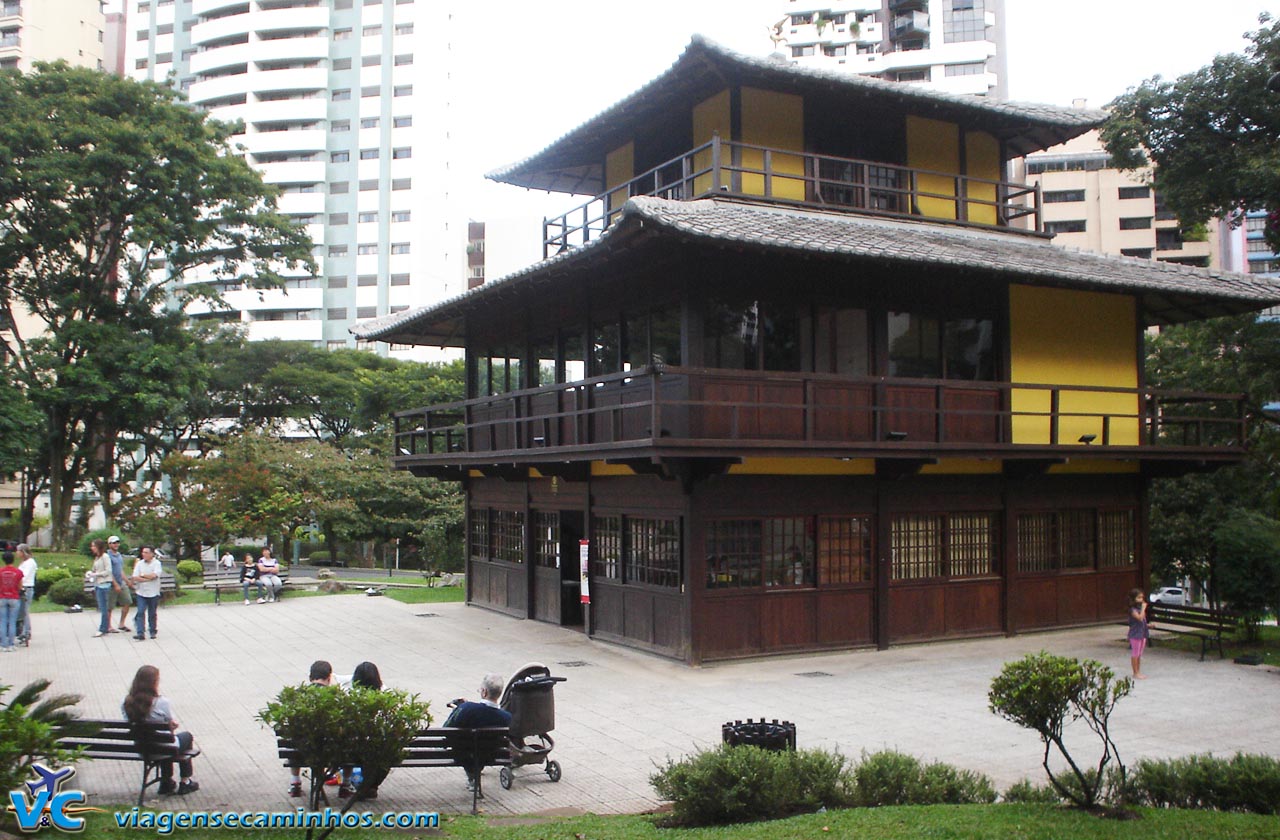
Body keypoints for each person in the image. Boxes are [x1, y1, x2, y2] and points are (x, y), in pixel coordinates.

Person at [122, 665, 200, 795]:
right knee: (185, 737)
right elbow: (172, 722)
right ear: (154, 683)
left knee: (163, 741)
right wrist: (172, 725)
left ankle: (166, 781)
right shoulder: (161, 702)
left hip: (142, 748)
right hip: (164, 748)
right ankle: (185, 781)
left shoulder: (126, 702)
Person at [444, 673, 512, 791]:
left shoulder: (467, 708)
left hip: (463, 755)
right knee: (479, 747)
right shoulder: (506, 717)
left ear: (484, 692)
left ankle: (472, 776)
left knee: (466, 745)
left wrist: (458, 709)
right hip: (489, 756)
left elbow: (446, 729)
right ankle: (474, 777)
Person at [287, 660, 336, 798]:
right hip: (331, 751)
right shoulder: (335, 696)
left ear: (310, 678)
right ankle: (346, 784)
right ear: (329, 677)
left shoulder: (297, 695)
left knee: (295, 743)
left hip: (301, 751)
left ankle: (295, 782)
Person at [339, 661, 387, 801]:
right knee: (382, 754)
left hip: (349, 751)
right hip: (375, 750)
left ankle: (348, 783)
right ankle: (371, 786)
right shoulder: (384, 694)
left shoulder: (349, 695)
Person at [130, 546, 164, 641]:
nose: (143, 554)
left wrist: (143, 575)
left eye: (146, 552)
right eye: (143, 552)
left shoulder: (157, 563)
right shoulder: (139, 564)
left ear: (152, 554)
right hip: (141, 592)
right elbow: (135, 577)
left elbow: (154, 576)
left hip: (153, 592)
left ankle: (152, 630)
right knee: (140, 612)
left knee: (152, 613)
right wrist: (146, 579)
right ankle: (140, 633)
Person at [107, 535, 134, 634]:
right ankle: (108, 625)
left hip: (121, 582)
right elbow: (109, 572)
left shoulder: (119, 555)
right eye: (114, 543)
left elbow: (120, 570)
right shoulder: (107, 556)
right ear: (109, 544)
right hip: (111, 583)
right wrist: (115, 584)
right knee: (110, 606)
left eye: (117, 542)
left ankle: (121, 624)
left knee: (127, 601)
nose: (116, 544)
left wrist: (127, 582)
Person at [89, 538, 115, 637]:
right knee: (102, 607)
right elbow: (95, 569)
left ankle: (103, 628)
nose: (92, 548)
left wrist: (97, 574)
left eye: (93, 546)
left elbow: (108, 571)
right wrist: (91, 574)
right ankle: (105, 627)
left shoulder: (105, 557)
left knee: (104, 608)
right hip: (98, 584)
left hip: (104, 584)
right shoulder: (97, 558)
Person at [0, 551, 22, 652]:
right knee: (12, 621)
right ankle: (11, 644)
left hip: (2, 598)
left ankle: (3, 645)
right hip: (14, 597)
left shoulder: (1, 571)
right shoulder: (18, 572)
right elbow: (20, 586)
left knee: (3, 621)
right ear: (13, 559)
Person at [15, 544, 36, 646]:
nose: (16, 553)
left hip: (26, 588)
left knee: (24, 611)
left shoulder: (30, 563)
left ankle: (26, 632)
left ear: (23, 552)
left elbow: (24, 576)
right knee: (21, 611)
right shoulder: (23, 563)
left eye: (18, 551)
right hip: (21, 588)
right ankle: (22, 631)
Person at [1128, 587, 1150, 680]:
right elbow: (1139, 618)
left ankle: (1138, 671)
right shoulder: (1133, 610)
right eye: (1139, 598)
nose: (1141, 600)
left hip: (1142, 633)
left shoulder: (1140, 609)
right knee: (1135, 653)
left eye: (1142, 598)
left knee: (1139, 654)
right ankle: (1135, 672)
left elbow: (1143, 621)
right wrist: (1144, 609)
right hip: (1135, 634)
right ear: (1134, 599)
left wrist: (1149, 626)